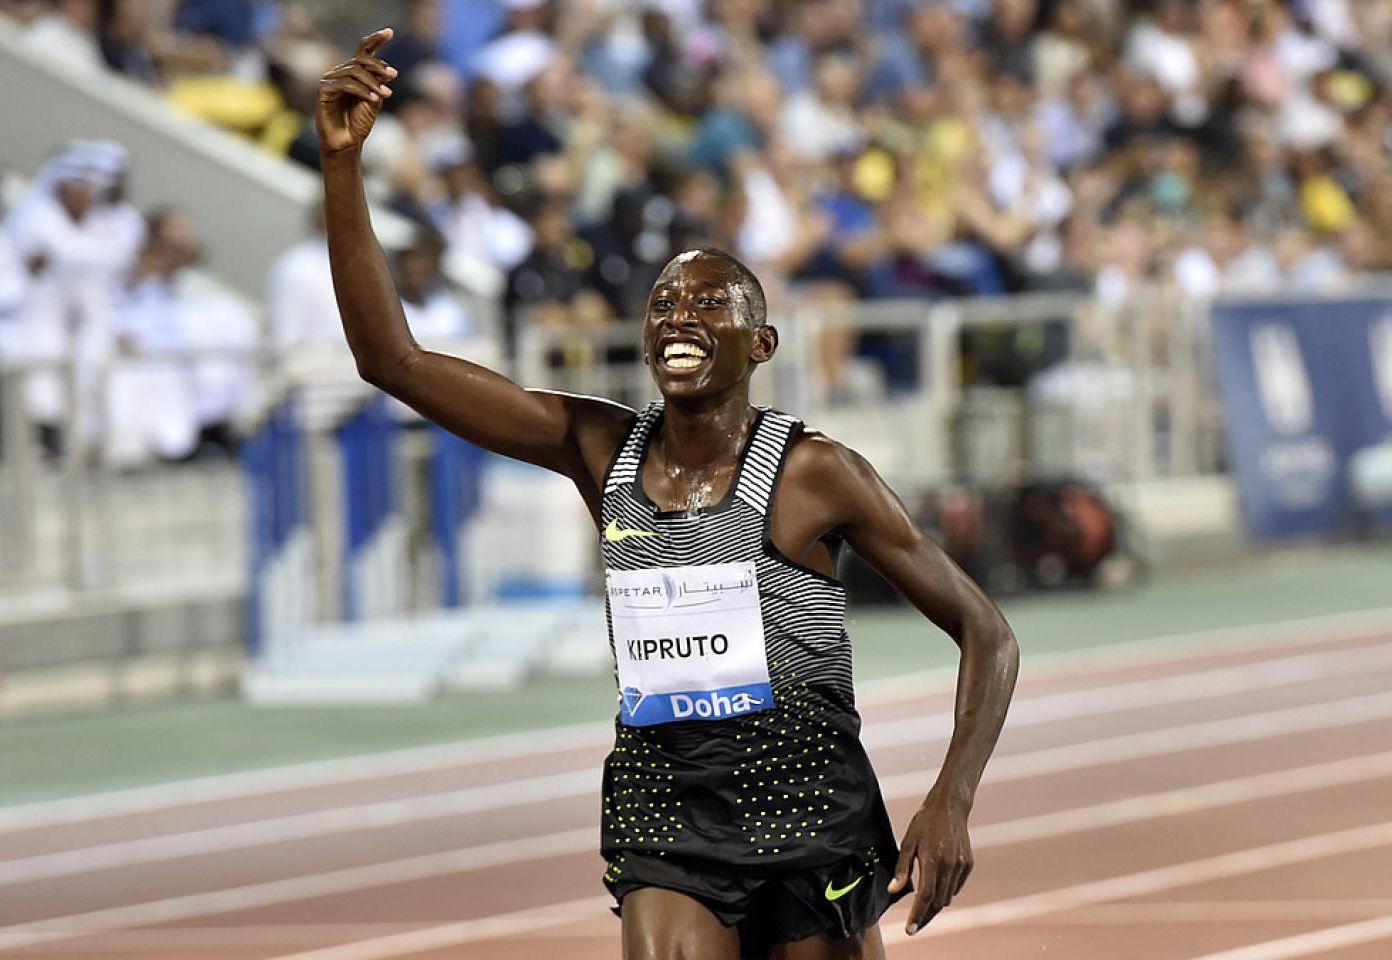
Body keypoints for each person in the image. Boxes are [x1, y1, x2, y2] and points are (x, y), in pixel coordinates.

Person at [317, 30, 1020, 960]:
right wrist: (342, 165)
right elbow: (392, 360)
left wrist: (951, 798)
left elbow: (988, 632)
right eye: (661, 305)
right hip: (665, 806)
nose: (678, 318)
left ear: (759, 345)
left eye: (707, 305)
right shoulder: (595, 443)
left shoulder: (815, 473)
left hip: (807, 808)